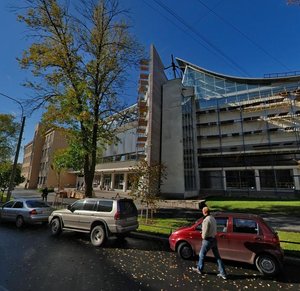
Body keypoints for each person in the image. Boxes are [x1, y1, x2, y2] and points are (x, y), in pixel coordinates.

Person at [192, 206, 227, 280]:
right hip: (214, 239)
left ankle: (200, 269)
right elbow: (213, 229)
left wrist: (202, 235)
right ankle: (223, 273)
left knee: (201, 255)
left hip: (207, 241)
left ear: (204, 212)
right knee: (217, 257)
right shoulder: (213, 218)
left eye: (202, 211)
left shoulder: (206, 220)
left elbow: (204, 235)